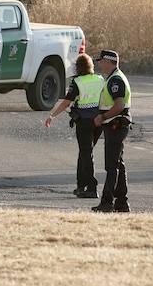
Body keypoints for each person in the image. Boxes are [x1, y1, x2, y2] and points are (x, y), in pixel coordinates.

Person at [43, 52, 104, 198]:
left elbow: (66, 102)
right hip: (99, 121)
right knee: (85, 153)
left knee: (86, 154)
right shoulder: (100, 79)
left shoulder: (77, 82)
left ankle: (91, 187)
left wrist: (52, 115)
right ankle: (81, 185)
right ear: (91, 66)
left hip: (84, 122)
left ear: (78, 68)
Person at [91, 49, 131, 213]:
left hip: (115, 125)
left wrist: (103, 117)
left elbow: (119, 105)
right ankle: (122, 203)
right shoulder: (116, 77)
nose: (99, 64)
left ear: (108, 62)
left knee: (111, 166)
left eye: (101, 61)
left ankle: (107, 202)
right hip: (116, 125)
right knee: (118, 165)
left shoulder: (115, 80)